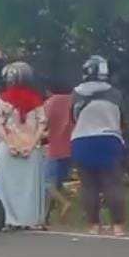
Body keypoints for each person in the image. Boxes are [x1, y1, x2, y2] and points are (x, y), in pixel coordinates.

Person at [71, 55, 126, 237]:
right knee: (112, 183)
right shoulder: (115, 94)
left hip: (82, 140)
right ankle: (117, 226)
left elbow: (73, 118)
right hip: (109, 139)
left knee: (88, 185)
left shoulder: (76, 93)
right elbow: (123, 119)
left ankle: (93, 225)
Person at [0, 62, 48, 230]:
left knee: (7, 186)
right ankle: (30, 220)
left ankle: (7, 219)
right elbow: (42, 122)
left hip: (9, 148)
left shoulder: (3, 98)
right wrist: (32, 144)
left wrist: (9, 143)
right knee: (30, 187)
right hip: (30, 149)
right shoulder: (36, 98)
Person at [42, 80, 75, 223]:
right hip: (72, 147)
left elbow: (43, 123)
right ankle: (46, 217)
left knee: (47, 183)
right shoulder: (73, 100)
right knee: (57, 184)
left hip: (55, 147)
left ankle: (64, 203)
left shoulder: (51, 102)